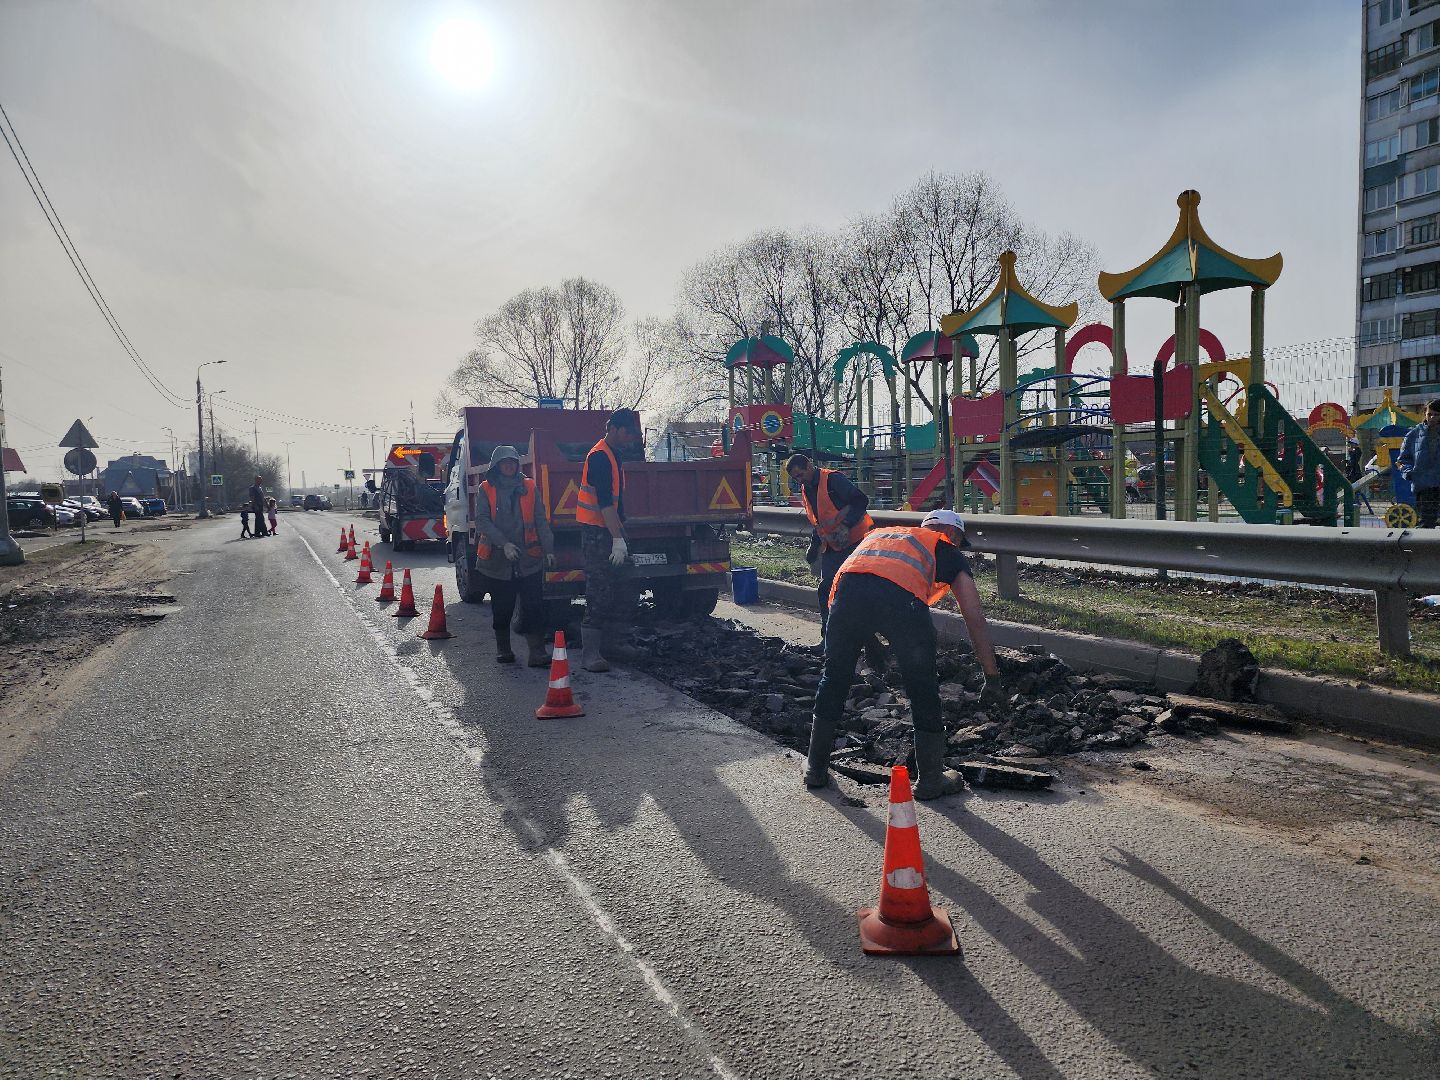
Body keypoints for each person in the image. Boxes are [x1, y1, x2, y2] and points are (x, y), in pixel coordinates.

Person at [804, 509, 1004, 801]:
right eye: (959, 542)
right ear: (954, 534)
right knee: (922, 685)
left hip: (845, 599)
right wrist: (992, 676)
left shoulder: (880, 535)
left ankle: (815, 767)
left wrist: (868, 640)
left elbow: (856, 583)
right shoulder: (944, 547)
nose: (958, 547)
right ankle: (931, 780)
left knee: (834, 677)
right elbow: (974, 616)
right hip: (901, 604)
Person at [785, 453, 886, 668]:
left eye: (800, 475)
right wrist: (814, 545)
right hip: (833, 546)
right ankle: (830, 641)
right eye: (796, 478)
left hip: (856, 541)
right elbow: (819, 520)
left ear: (809, 465)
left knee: (854, 592)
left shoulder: (833, 480)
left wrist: (847, 524)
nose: (799, 480)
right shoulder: (806, 488)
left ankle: (871, 645)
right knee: (827, 592)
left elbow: (861, 500)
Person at [576, 408, 644, 672]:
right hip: (596, 534)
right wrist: (617, 540)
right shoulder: (599, 457)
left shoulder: (615, 454)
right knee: (600, 592)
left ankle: (615, 642)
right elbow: (604, 505)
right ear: (614, 428)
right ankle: (590, 654)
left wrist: (620, 534)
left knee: (626, 586)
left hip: (612, 529)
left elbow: (615, 504)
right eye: (627, 432)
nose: (629, 438)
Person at [474, 445, 556, 665]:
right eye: (505, 462)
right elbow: (482, 520)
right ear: (497, 466)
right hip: (498, 562)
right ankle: (504, 649)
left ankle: (537, 652)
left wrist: (548, 549)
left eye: (512, 462)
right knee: (502, 607)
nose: (509, 466)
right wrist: (504, 544)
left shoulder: (529, 486)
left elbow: (540, 519)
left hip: (529, 559)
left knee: (533, 606)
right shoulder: (486, 488)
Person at [1397, 399, 1440, 528]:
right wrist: (1410, 473)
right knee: (1426, 523)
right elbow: (1402, 460)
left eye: (1436, 414)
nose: (1432, 417)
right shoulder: (1413, 435)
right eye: (1430, 414)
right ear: (1425, 414)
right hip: (1424, 486)